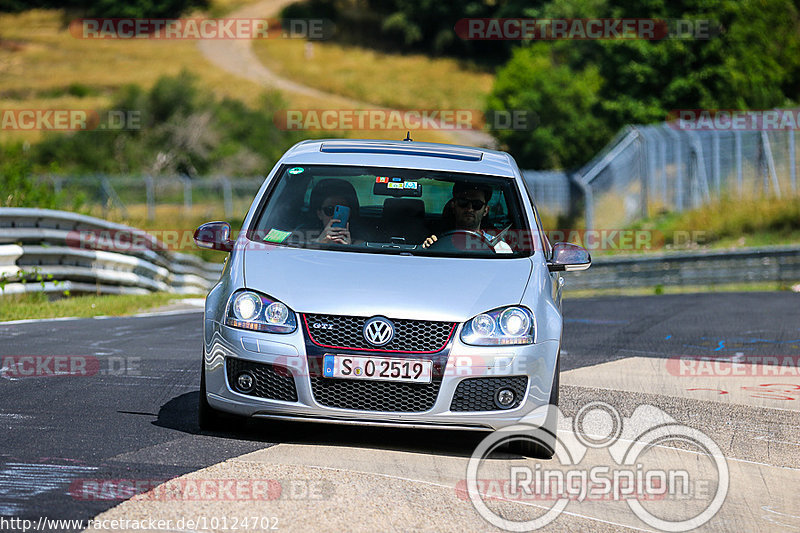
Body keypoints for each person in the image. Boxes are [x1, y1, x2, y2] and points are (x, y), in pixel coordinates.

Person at [308, 179, 360, 245]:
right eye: (329, 210)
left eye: (342, 212)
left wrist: (348, 248)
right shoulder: (303, 240)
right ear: (319, 214)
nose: (335, 216)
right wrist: (319, 243)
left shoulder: (359, 245)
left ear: (349, 214)